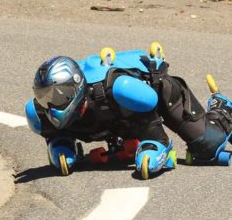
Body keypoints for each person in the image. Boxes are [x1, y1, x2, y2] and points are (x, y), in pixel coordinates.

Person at [25, 50, 177, 180]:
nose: (50, 104)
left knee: (199, 142)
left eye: (57, 96)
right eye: (45, 97)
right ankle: (62, 140)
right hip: (97, 122)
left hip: (130, 119)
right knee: (36, 114)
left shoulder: (115, 87)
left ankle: (157, 142)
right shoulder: (40, 112)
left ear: (73, 89)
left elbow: (150, 100)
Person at [142, 42, 232, 165]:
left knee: (210, 139)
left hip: (207, 139)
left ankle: (222, 105)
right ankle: (220, 103)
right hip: (202, 141)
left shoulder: (163, 86)